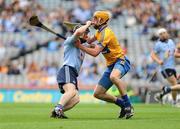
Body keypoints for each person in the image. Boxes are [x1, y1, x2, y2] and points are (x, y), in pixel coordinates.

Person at [75, 11, 134, 119]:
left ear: (101, 20)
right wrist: (81, 30)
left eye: (95, 19)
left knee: (113, 77)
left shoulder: (106, 33)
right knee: (98, 93)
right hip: (111, 65)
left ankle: (128, 105)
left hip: (121, 61)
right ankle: (122, 105)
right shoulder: (99, 32)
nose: (93, 21)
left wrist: (80, 46)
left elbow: (95, 53)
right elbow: (88, 41)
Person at [51, 21, 91, 119]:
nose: (87, 35)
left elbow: (92, 44)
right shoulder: (69, 41)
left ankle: (56, 112)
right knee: (71, 92)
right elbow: (77, 33)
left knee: (75, 99)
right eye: (86, 33)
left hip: (73, 73)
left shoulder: (82, 45)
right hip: (67, 69)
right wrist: (87, 24)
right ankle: (58, 108)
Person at [151, 28, 179, 105]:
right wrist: (159, 61)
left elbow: (175, 52)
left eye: (165, 33)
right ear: (159, 35)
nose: (164, 34)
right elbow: (152, 55)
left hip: (172, 66)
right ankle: (174, 102)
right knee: (175, 83)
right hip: (165, 67)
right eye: (162, 33)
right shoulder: (158, 44)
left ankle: (161, 95)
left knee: (174, 84)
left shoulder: (171, 41)